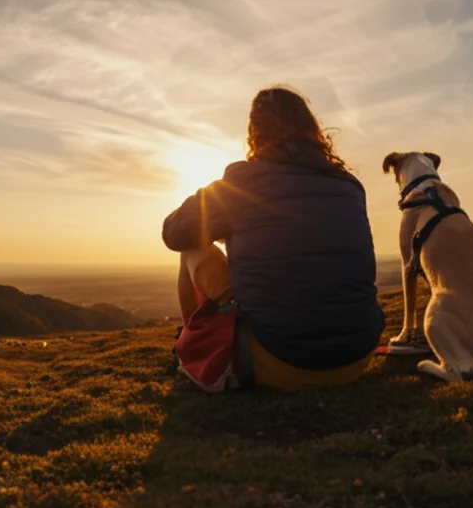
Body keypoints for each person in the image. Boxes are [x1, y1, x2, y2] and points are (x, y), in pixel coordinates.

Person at [162, 85, 386, 392]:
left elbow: (173, 232)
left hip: (283, 361)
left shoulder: (245, 181)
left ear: (256, 132)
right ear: (313, 128)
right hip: (356, 358)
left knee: (192, 244)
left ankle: (198, 343)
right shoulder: (349, 185)